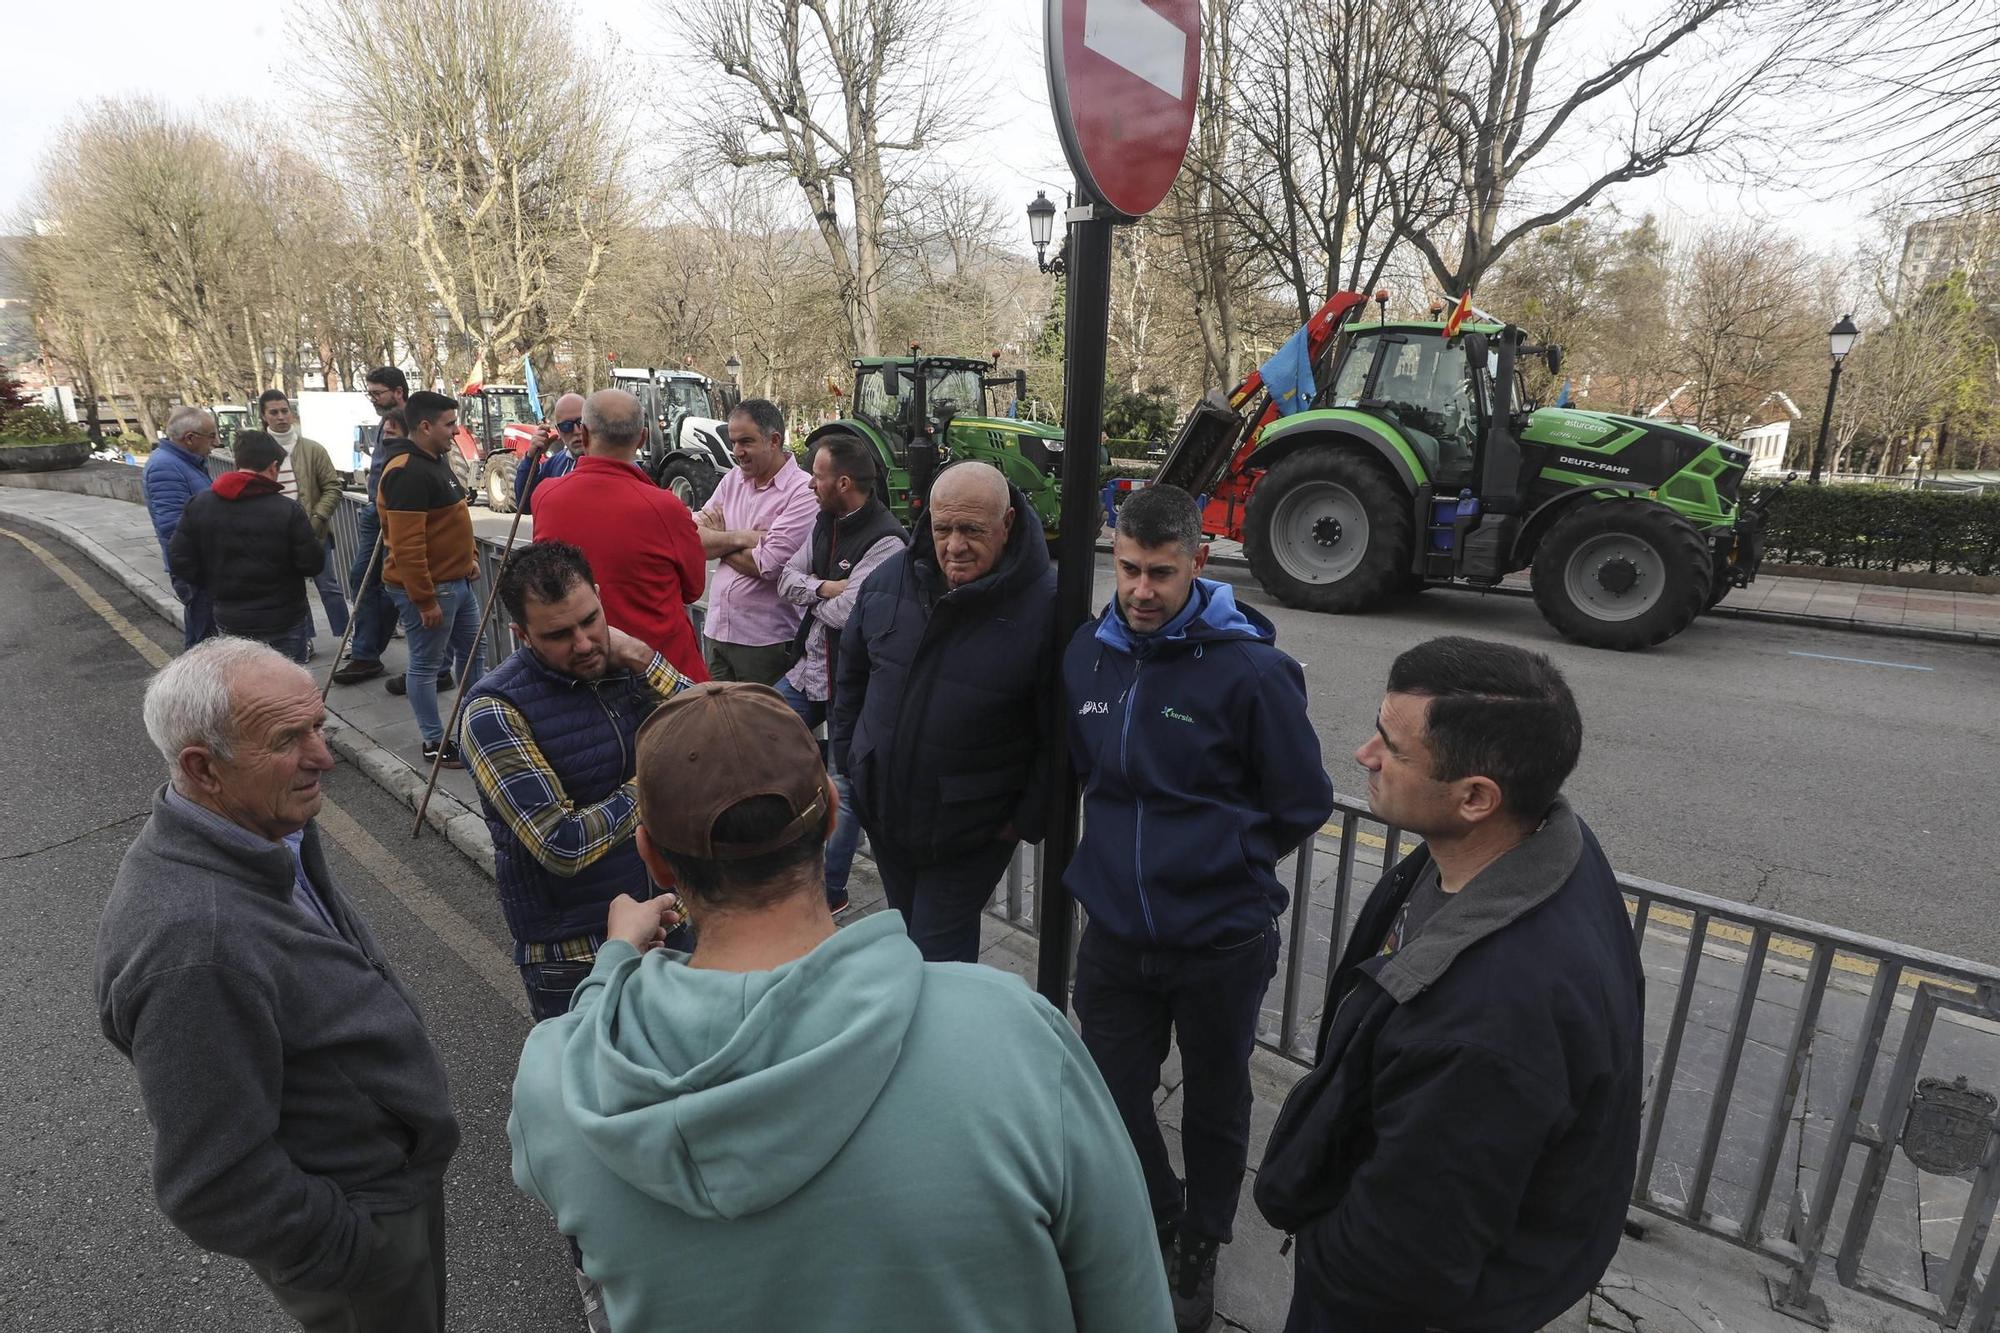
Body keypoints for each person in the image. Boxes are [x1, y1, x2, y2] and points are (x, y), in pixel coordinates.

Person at [506, 681, 1172, 1333]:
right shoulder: (1015, 1034)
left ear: (651, 857)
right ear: (831, 815)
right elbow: (1129, 1299)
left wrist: (613, 965)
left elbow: (578, 1053)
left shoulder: (560, 1079)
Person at [1255, 636, 1644, 1333]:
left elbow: (1401, 1257)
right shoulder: (1543, 841)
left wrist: (1324, 1247)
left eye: (1392, 748)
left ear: (1475, 797)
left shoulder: (1486, 1023)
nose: (1364, 756)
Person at [96, 638, 460, 1331]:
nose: (325, 755)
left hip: (386, 1183)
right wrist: (353, 1249)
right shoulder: (193, 945)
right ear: (203, 767)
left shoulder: (263, 821)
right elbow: (212, 1183)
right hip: (359, 1236)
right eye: (290, 739)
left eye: (319, 724)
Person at [1063, 484, 1334, 1333]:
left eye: (1162, 574)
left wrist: (1224, 864)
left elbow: (1301, 800)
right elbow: (1089, 771)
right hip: (1113, 931)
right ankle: (1161, 1204)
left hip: (1220, 938)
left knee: (1217, 1099)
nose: (1141, 591)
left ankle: (1201, 1243)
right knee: (1108, 1089)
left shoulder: (1251, 669)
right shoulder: (1088, 653)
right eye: (1130, 569)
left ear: (1198, 564)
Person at [460, 540, 697, 1021]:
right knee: (600, 1094)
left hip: (672, 922)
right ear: (521, 635)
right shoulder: (493, 713)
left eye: (590, 620)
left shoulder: (625, 667)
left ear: (599, 595)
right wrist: (657, 777)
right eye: (559, 635)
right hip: (577, 958)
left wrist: (645, 659)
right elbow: (562, 844)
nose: (585, 644)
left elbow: (716, 730)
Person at [831, 461, 1054, 963]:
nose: (954, 545)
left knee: (936, 958)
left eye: (971, 530)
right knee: (908, 939)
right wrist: (851, 764)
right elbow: (853, 675)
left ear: (1007, 524)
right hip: (888, 817)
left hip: (969, 833)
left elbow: (1058, 736)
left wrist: (1021, 821)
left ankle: (949, 1038)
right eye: (942, 529)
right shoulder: (889, 581)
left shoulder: (1046, 609)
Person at [772, 432, 904, 914]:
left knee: (843, 790)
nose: (809, 484)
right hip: (809, 670)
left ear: (843, 482)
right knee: (761, 728)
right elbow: (785, 579)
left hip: (853, 684)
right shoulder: (824, 522)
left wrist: (821, 595)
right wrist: (827, 585)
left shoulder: (888, 540)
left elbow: (852, 614)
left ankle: (830, 895)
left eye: (818, 476)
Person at [529, 389, 708, 681]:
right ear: (642, 438)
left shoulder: (545, 496)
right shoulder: (666, 508)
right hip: (658, 671)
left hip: (582, 670)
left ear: (584, 435)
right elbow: (693, 589)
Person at [379, 390, 481, 768]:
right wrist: (423, 600)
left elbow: (451, 519)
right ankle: (434, 741)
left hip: (457, 582)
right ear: (424, 426)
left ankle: (476, 727)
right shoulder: (407, 471)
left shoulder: (435, 459)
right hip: (433, 590)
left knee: (474, 653)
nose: (456, 431)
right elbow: (407, 545)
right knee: (425, 664)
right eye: (449, 424)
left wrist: (468, 557)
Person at [168, 431, 327, 662]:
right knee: (287, 688)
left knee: (244, 688)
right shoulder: (287, 510)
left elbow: (179, 559)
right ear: (273, 467)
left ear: (238, 462)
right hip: (283, 618)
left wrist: (213, 583)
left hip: (231, 618)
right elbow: (311, 564)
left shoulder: (201, 504)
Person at [693, 397, 816, 684]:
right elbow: (690, 537)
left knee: (765, 728)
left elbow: (769, 565)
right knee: (719, 725)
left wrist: (718, 543)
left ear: (774, 440)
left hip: (766, 643)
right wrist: (743, 538)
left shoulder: (802, 492)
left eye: (746, 442)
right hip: (717, 633)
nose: (737, 452)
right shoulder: (733, 480)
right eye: (733, 442)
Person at [331, 367, 410, 686]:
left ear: (398, 392)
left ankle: (368, 653)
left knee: (382, 583)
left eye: (378, 393)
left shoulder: (410, 423)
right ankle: (367, 653)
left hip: (393, 517)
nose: (373, 399)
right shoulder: (386, 421)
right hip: (373, 513)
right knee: (368, 580)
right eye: (371, 393)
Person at [258, 389, 348, 655]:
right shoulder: (259, 450)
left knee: (329, 586)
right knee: (293, 590)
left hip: (314, 533)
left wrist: (318, 517)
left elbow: (333, 487)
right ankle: (303, 639)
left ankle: (345, 636)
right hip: (277, 536)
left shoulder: (312, 449)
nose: (281, 417)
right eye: (274, 412)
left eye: (285, 410)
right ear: (264, 416)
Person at [144, 405, 220, 649]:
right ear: (190, 439)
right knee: (203, 644)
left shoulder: (185, 462)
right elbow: (173, 527)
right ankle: (194, 688)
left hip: (202, 567)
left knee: (207, 640)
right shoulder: (165, 466)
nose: (216, 442)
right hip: (196, 571)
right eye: (211, 436)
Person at [513, 391, 582, 512]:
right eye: (566, 426)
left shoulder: (610, 463)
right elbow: (525, 505)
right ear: (558, 431)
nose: (576, 431)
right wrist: (530, 458)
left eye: (581, 422)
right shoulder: (554, 466)